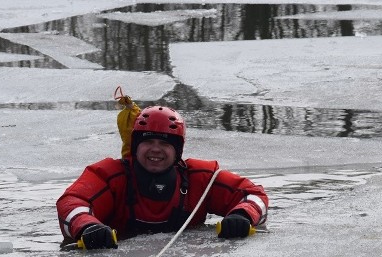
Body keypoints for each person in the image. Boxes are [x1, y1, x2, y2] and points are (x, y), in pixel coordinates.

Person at [56, 105, 269, 249]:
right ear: (135, 146)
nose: (156, 150)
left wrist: (243, 215)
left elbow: (254, 195)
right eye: (148, 142)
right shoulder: (109, 176)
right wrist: (87, 226)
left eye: (165, 143)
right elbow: (72, 202)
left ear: (178, 150)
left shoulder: (201, 178)